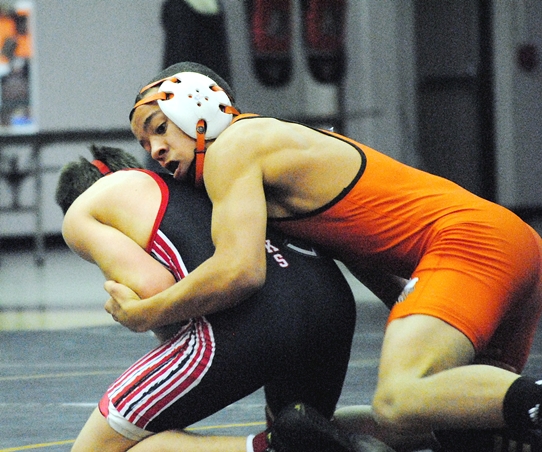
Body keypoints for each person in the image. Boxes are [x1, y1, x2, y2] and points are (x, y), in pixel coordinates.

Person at [107, 61, 542, 450]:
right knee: (461, 422)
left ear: (195, 104)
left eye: (159, 128)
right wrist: (417, 313)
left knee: (398, 398)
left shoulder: (234, 148)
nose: (155, 151)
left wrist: (148, 311)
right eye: (145, 143)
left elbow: (239, 272)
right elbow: (362, 252)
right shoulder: (276, 145)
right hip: (507, 245)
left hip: (469, 243)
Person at [56, 145, 394, 452]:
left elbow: (153, 289)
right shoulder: (198, 180)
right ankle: (434, 428)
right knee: (306, 428)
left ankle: (270, 448)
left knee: (101, 448)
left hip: (253, 322)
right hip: (329, 302)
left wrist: (129, 308)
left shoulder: (84, 210)